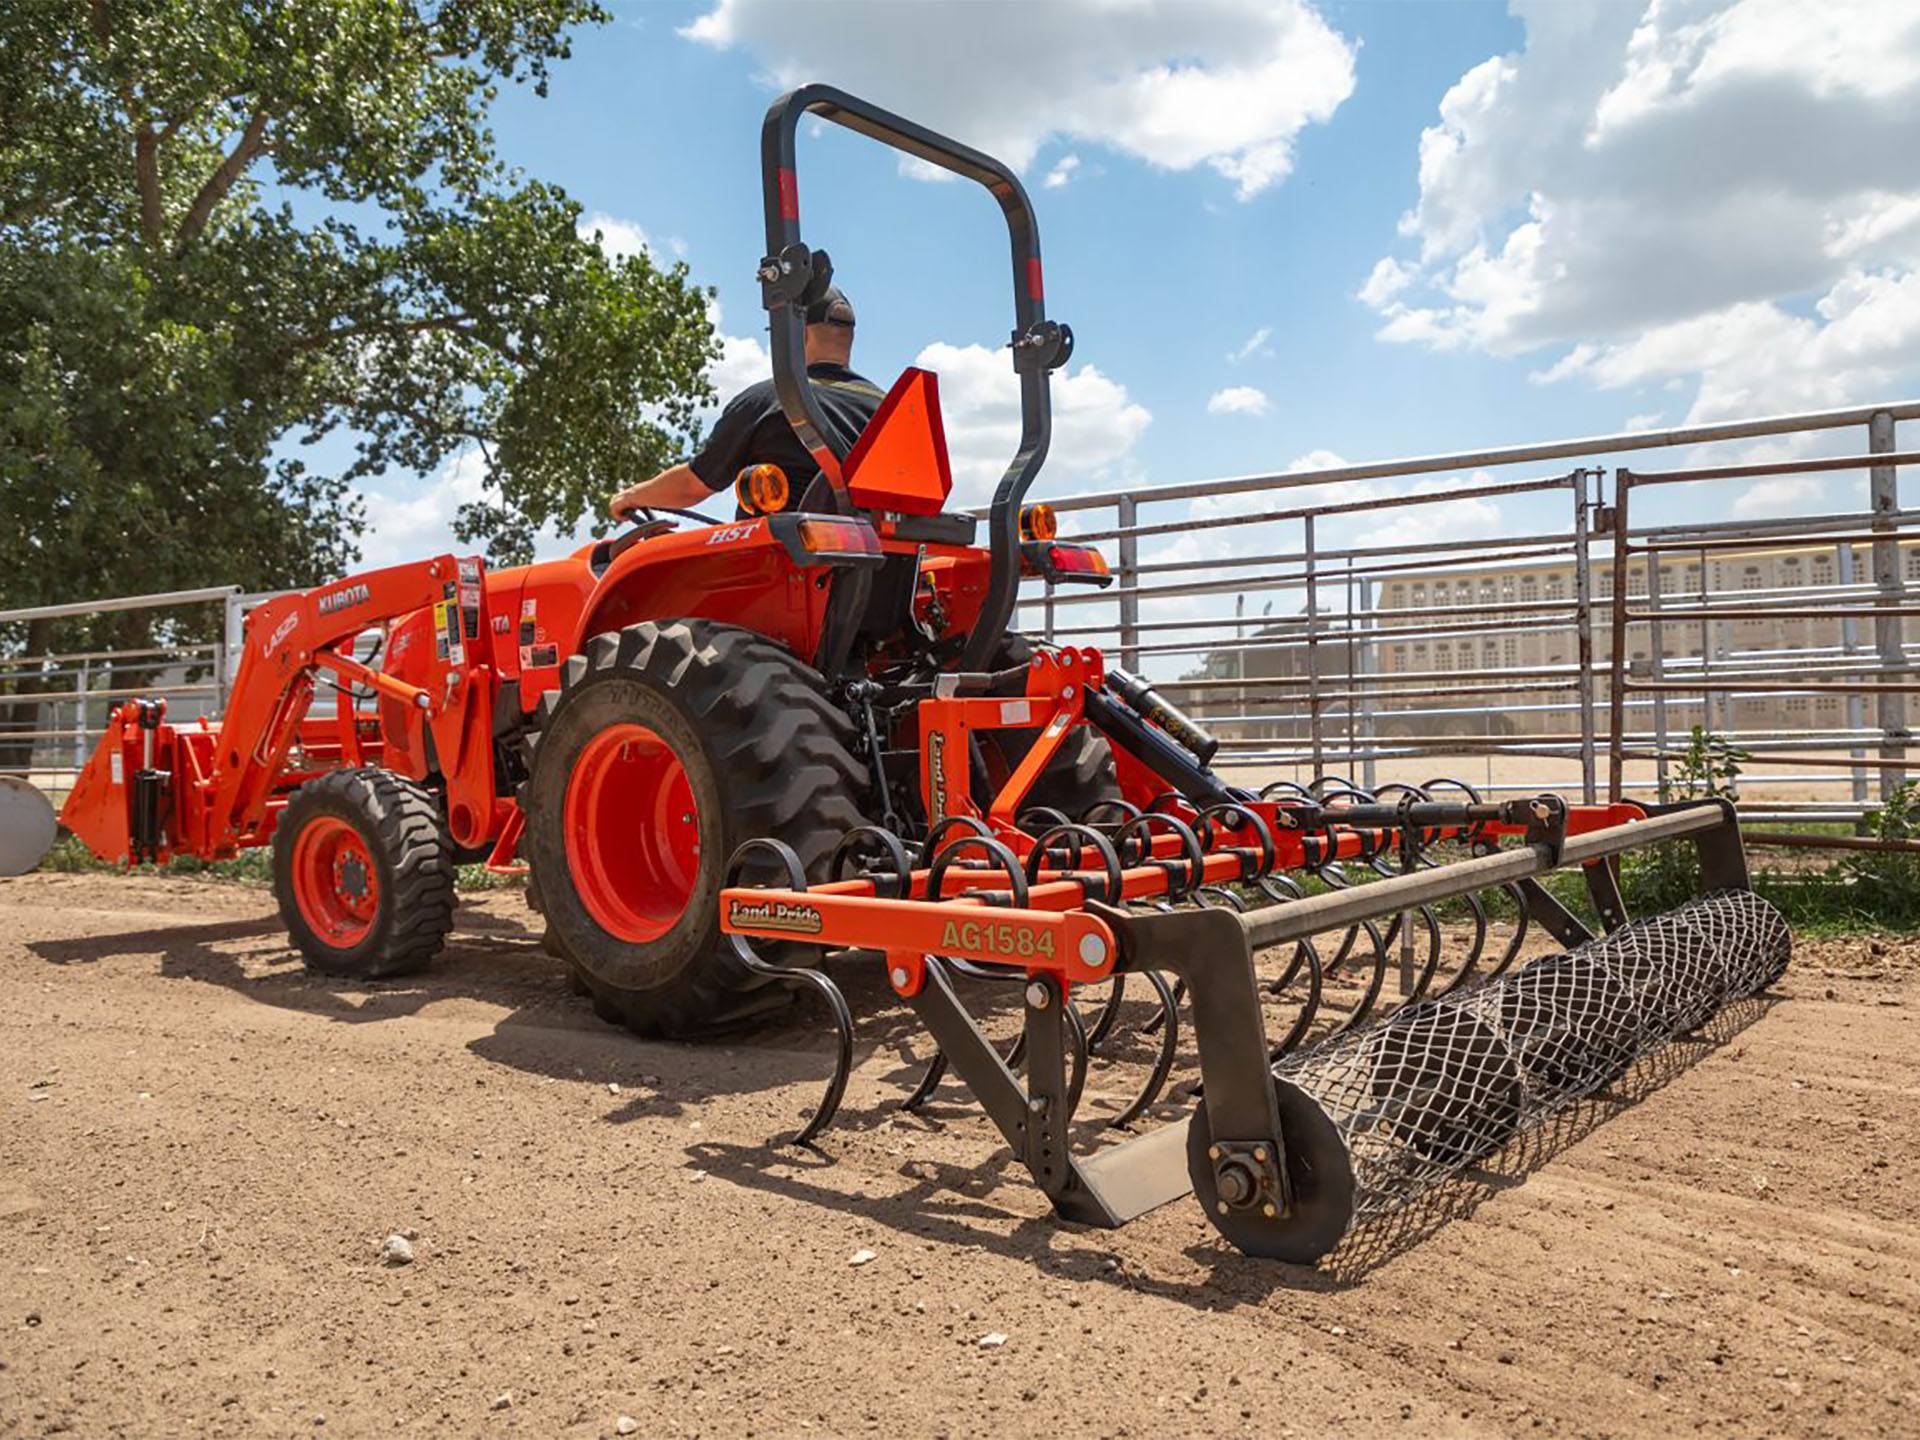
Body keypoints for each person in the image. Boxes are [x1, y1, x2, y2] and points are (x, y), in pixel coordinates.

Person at [607, 286, 884, 521]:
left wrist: (631, 496)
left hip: (785, 571)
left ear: (798, 334)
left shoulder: (774, 399)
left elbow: (693, 485)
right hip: (883, 575)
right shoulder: (887, 411)